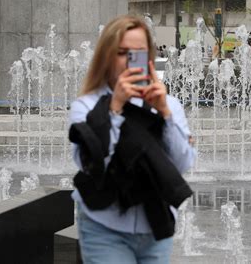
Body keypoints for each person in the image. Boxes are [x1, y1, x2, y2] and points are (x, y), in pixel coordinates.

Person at [69, 15, 196, 263]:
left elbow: (182, 165)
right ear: (106, 57)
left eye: (137, 52)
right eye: (121, 52)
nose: (129, 60)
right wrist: (114, 110)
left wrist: (165, 115)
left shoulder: (169, 104)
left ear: (148, 56)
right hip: (104, 224)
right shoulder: (87, 105)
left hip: (155, 223)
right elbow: (90, 164)